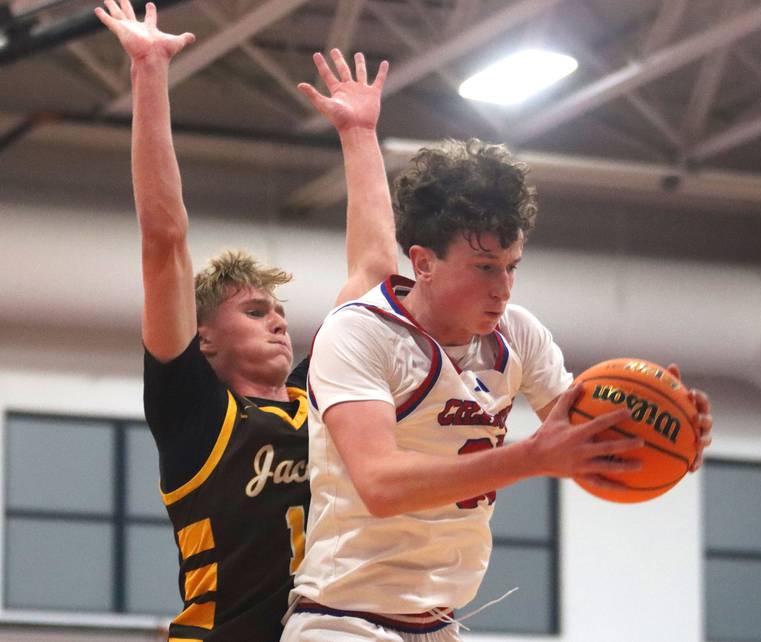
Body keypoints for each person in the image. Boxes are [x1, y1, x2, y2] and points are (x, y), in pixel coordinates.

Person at [282, 139, 714, 641]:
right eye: (485, 267)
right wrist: (530, 458)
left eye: (512, 266)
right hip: (343, 623)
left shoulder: (519, 333)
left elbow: (584, 440)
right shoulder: (360, 333)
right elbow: (381, 484)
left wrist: (669, 436)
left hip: (440, 625)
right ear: (422, 262)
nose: (503, 288)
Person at [94, 1, 396, 640]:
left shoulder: (319, 399)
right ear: (204, 336)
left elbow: (373, 271)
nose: (279, 324)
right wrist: (150, 70)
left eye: (282, 312)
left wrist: (360, 135)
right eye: (255, 311)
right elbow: (164, 238)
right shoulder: (193, 410)